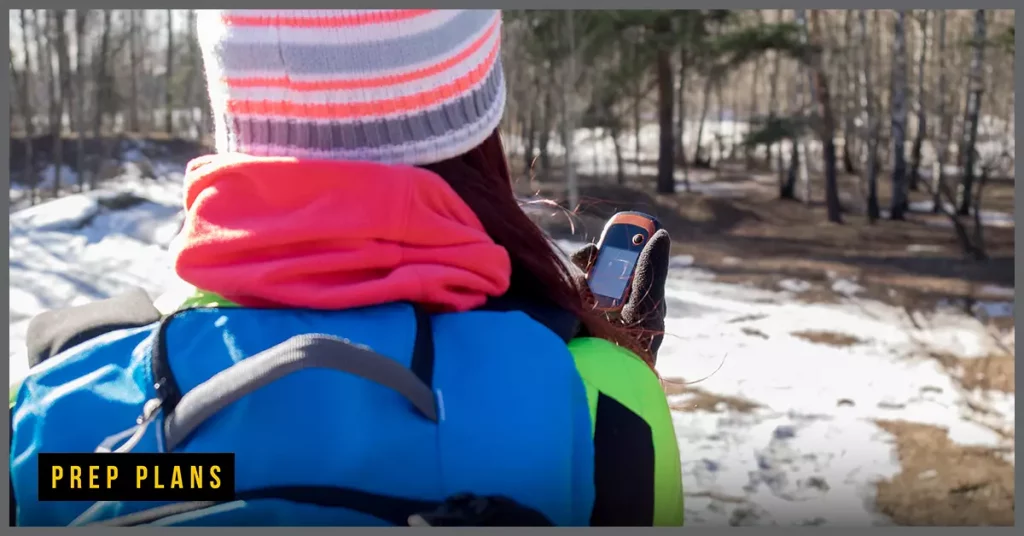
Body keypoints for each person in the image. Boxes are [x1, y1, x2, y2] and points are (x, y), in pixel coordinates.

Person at [9, 9, 681, 527]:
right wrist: (619, 370)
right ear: (478, 125)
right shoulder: (592, 402)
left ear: (231, 113)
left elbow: (220, 471)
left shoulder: (59, 413)